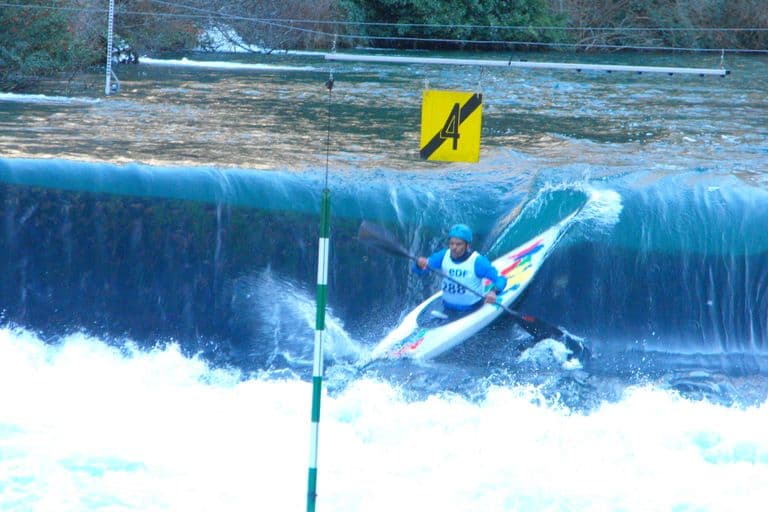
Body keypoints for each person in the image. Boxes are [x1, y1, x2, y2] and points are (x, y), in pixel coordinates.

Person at [414, 223, 507, 315]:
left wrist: (493, 292)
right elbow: (420, 272)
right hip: (446, 307)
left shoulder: (478, 262)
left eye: (458, 244)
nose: (454, 247)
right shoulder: (442, 256)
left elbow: (501, 279)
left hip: (472, 308)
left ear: (467, 245)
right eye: (451, 243)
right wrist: (419, 265)